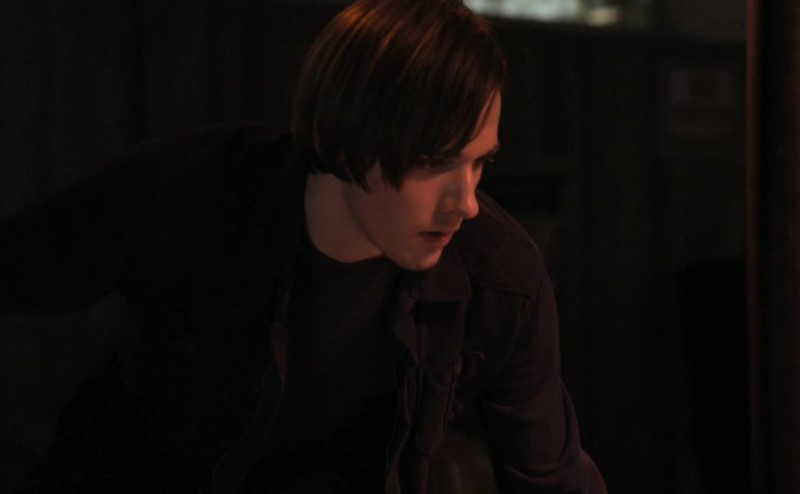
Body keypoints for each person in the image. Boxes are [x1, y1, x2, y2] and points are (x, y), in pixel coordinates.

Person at [1, 0, 606, 492]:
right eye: (432, 162)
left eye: (478, 163)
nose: (465, 202)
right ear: (339, 140)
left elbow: (549, 473)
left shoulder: (499, 275)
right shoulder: (194, 192)